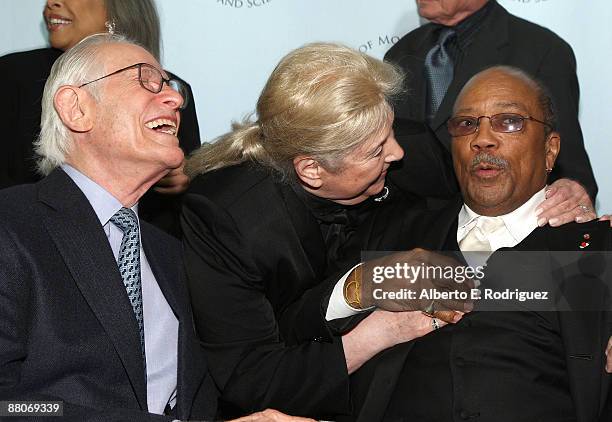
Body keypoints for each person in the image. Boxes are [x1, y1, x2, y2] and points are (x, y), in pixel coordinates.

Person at [0, 33, 309, 422]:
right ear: (76, 108)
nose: (175, 99)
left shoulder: (171, 253)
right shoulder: (11, 225)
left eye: (170, 85)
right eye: (145, 79)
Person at [182, 42, 474, 420]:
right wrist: (376, 330)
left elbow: (497, 202)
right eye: (375, 150)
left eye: (390, 131)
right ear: (312, 170)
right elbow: (251, 377)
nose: (397, 153)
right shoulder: (227, 218)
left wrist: (559, 189)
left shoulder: (406, 147)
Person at [339, 66, 612, 422]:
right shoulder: (394, 233)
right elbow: (303, 333)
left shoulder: (596, 250)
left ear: (550, 150)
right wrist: (359, 286)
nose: (482, 139)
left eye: (509, 121)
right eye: (467, 124)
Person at [384, 0, 598, 227]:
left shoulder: (540, 49)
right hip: (413, 232)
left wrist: (571, 192)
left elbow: (567, 161)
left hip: (508, 237)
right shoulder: (401, 53)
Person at [0, 0, 199, 236]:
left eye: (152, 81)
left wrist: (187, 177)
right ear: (71, 105)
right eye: (143, 81)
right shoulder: (13, 75)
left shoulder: (171, 91)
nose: (51, 2)